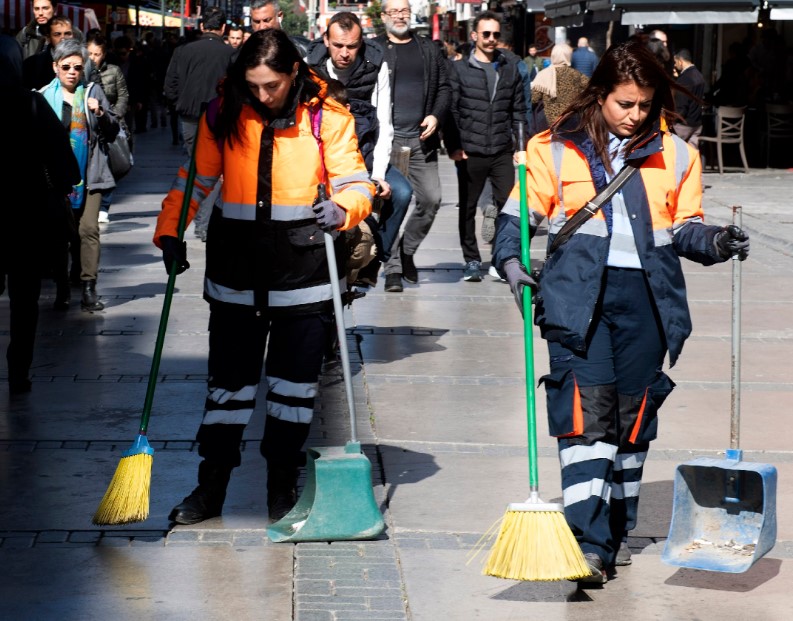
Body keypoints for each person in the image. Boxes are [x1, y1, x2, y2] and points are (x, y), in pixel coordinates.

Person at [494, 40, 750, 584]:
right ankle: (586, 544)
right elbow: (517, 217)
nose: (635, 115)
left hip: (648, 302)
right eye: (624, 103)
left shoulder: (677, 154)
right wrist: (511, 263)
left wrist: (717, 241)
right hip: (576, 298)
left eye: (645, 105)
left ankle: (614, 531)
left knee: (632, 422)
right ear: (599, 95)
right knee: (586, 415)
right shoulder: (552, 148)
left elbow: (684, 229)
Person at [155, 29, 374, 525]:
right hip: (236, 273)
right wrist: (170, 229)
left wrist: (344, 208)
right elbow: (196, 178)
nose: (262, 95)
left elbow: (355, 182)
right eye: (253, 85)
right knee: (227, 389)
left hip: (304, 277)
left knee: (293, 391)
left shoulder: (327, 116)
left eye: (271, 85)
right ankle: (211, 487)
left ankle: (282, 485)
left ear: (294, 71)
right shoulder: (224, 112)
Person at [306, 11, 413, 292]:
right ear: (326, 40)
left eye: (352, 46)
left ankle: (375, 258)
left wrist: (377, 176)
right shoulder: (310, 66)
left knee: (402, 192)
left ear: (361, 42)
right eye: (338, 45)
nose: (344, 53)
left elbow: (385, 123)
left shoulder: (376, 64)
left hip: (365, 153)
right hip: (325, 156)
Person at [1, 34, 80, 394]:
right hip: (27, 219)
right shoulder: (32, 105)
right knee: (24, 300)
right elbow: (66, 167)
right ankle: (19, 371)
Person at [444, 11, 526, 283]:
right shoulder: (459, 69)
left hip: (502, 149)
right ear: (474, 36)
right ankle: (472, 260)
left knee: (509, 207)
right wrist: (454, 146)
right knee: (468, 209)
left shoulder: (509, 67)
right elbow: (452, 110)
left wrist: (521, 145)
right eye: (486, 34)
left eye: (495, 34)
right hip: (471, 150)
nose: (491, 39)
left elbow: (518, 110)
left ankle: (502, 258)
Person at [39, 39, 120, 312]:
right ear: (55, 67)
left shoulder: (92, 92)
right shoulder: (42, 97)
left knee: (88, 230)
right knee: (60, 235)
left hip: (90, 173)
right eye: (66, 67)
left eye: (77, 67)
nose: (72, 72)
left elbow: (113, 130)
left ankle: (88, 287)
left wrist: (100, 113)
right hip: (56, 178)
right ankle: (63, 287)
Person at [374, 0, 450, 289]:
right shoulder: (374, 49)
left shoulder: (428, 48)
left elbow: (444, 87)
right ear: (384, 16)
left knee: (431, 199)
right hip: (388, 141)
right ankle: (393, 267)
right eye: (394, 11)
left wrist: (436, 115)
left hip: (421, 140)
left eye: (404, 11)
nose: (400, 16)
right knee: (393, 203)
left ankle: (407, 250)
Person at [164, 7, 235, 242]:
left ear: (202, 26)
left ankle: (193, 220)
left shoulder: (183, 51)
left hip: (190, 116)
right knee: (215, 169)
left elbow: (170, 85)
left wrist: (180, 103)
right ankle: (204, 224)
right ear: (223, 28)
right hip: (219, 117)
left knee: (195, 167)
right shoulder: (230, 54)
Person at [86, 30, 130, 223]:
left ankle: (105, 205)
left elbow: (123, 96)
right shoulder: (81, 71)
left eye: (97, 54)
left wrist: (115, 116)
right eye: (90, 53)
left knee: (113, 163)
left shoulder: (114, 71)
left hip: (110, 123)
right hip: (90, 123)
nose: (93, 58)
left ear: (103, 54)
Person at [531, 43, 589, 128]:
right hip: (571, 122)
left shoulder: (543, 74)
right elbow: (590, 90)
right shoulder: (576, 75)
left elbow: (534, 99)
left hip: (549, 124)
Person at [16, 0, 82, 59]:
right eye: (36, 9)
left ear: (55, 9)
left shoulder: (75, 33)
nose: (40, 13)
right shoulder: (25, 34)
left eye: (45, 8)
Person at [22, 15, 74, 90]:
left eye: (67, 34)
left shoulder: (83, 61)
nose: (63, 39)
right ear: (48, 38)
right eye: (57, 34)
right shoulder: (32, 64)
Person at [672, 49, 705, 148]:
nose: (675, 65)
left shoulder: (685, 78)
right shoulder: (699, 76)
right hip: (697, 124)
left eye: (675, 62)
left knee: (674, 151)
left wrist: (673, 120)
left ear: (680, 61)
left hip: (683, 125)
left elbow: (681, 105)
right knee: (692, 153)